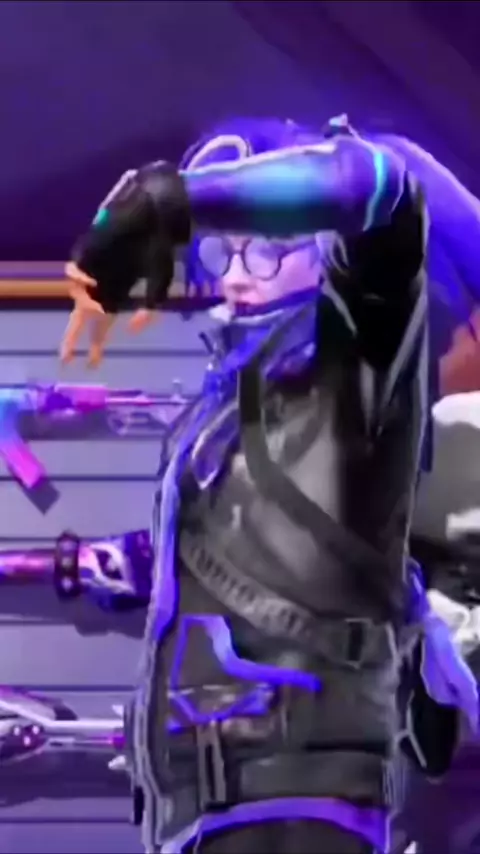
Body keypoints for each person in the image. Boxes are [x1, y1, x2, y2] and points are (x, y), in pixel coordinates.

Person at [64, 116, 478, 854]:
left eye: (265, 247)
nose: (235, 275)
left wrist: (172, 199)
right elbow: (275, 555)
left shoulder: (353, 363)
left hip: (296, 803)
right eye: (221, 251)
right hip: (200, 809)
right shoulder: (229, 403)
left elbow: (379, 186)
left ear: (320, 249)